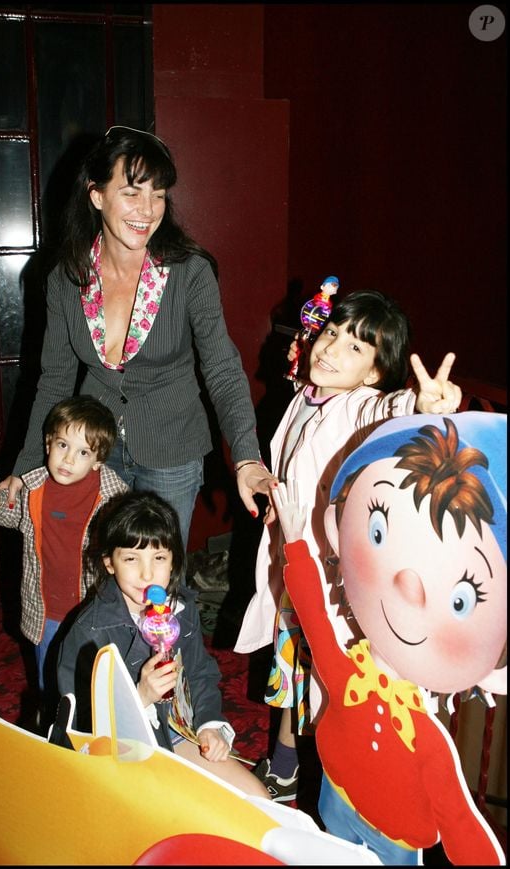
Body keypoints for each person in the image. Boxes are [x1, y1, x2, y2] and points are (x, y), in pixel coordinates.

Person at [0, 125, 277, 551]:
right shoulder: (66, 279)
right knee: (101, 567)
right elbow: (54, 381)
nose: (147, 209)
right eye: (131, 192)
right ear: (96, 195)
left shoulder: (189, 273)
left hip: (172, 449)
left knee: (158, 574)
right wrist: (26, 467)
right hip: (93, 448)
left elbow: (222, 368)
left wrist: (246, 456)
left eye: (158, 194)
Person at [234, 290, 462, 801]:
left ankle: (336, 784)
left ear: (375, 373)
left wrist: (425, 405)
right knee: (296, 668)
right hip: (294, 568)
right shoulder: (306, 396)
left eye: (355, 348)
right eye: (332, 333)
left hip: (332, 581)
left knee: (330, 679)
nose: (332, 348)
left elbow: (390, 410)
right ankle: (286, 765)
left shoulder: (360, 406)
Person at [272, 412, 506, 864]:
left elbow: (459, 822)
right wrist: (295, 543)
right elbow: (314, 618)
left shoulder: (428, 742)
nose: (408, 586)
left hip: (397, 843)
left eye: (461, 598)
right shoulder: (346, 676)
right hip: (334, 800)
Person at [56, 489, 272, 799]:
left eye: (158, 558)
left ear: (173, 562)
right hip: (120, 750)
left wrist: (209, 725)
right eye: (131, 559)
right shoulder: (89, 632)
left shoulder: (180, 609)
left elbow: (200, 672)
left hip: (174, 731)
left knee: (256, 800)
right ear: (109, 563)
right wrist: (140, 696)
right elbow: (83, 725)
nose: (147, 574)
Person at [0, 395, 128, 700]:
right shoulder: (33, 488)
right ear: (48, 444)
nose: (68, 459)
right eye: (63, 445)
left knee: (94, 683)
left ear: (98, 460)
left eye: (83, 452)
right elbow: (13, 514)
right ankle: (52, 722)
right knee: (49, 682)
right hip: (46, 608)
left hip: (93, 609)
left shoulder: (115, 499)